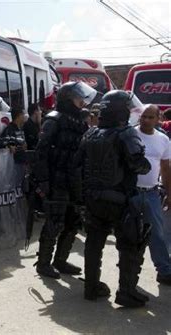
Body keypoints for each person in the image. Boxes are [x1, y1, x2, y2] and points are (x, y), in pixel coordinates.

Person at [76, 90, 152, 307]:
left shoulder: (90, 133)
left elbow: (77, 164)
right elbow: (138, 164)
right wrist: (146, 163)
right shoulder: (126, 133)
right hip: (120, 200)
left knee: (94, 243)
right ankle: (126, 291)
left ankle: (90, 287)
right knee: (130, 245)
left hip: (93, 198)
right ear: (121, 111)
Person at [33, 81, 97, 279]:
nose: (82, 101)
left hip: (75, 180)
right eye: (78, 97)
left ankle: (60, 260)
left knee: (73, 221)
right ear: (68, 98)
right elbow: (41, 152)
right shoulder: (54, 119)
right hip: (56, 179)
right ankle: (43, 263)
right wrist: (43, 181)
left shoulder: (80, 121)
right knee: (55, 221)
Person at [135, 104, 171, 285]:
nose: (146, 120)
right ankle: (128, 275)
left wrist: (169, 194)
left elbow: (165, 168)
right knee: (129, 233)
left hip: (151, 194)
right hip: (130, 194)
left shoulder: (163, 140)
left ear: (158, 119)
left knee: (157, 233)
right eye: (143, 116)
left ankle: (164, 271)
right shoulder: (130, 135)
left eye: (150, 117)